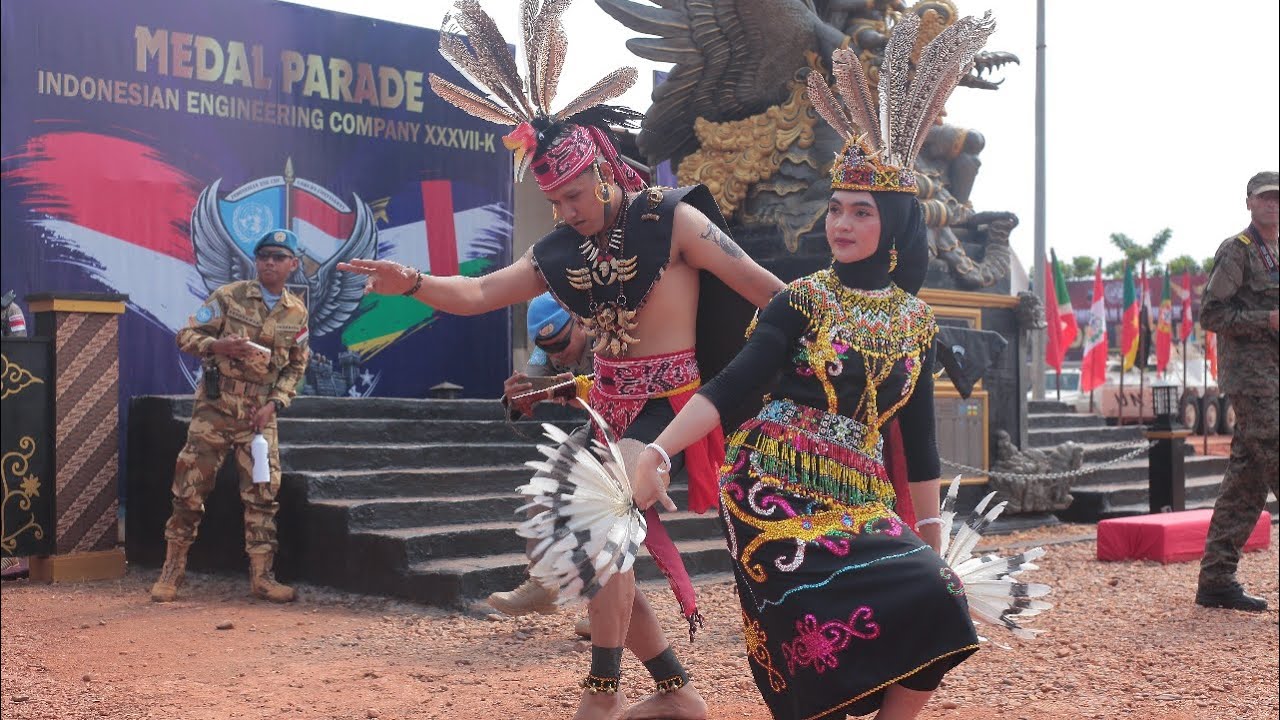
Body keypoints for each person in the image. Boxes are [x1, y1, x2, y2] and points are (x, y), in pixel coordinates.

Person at [339, 4, 783, 717]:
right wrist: (415, 283)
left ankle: (601, 698)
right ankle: (676, 694)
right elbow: (483, 291)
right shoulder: (560, 253)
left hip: (672, 404)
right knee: (584, 553)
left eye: (573, 195)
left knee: (603, 527)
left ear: (606, 171)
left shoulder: (673, 218)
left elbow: (768, 291)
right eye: (553, 199)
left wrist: (821, 341)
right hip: (605, 412)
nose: (565, 210)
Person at [632, 17, 994, 720]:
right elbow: (735, 383)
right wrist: (659, 449)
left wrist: (931, 541)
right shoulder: (804, 299)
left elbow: (917, 443)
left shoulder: (915, 323)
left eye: (861, 212)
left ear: (892, 225)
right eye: (835, 209)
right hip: (771, 485)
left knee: (941, 600)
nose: (841, 224)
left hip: (860, 492)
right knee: (817, 657)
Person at [150, 229, 311, 604]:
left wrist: (275, 405)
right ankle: (171, 573)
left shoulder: (297, 312)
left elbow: (295, 368)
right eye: (263, 256)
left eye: (277, 256)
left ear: (293, 265)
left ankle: (262, 578)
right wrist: (217, 344)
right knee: (189, 489)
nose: (269, 262)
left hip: (259, 416)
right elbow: (186, 335)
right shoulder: (229, 297)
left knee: (262, 495)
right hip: (215, 410)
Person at [1195, 170, 1279, 612]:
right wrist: (1264, 320)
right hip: (1252, 380)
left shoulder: (1278, 252)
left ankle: (1216, 580)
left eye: (1278, 199)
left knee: (1246, 483)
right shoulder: (1238, 251)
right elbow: (1210, 313)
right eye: (1265, 198)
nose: (1273, 205)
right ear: (1249, 202)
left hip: (1275, 377)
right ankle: (1216, 579)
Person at [490, 292, 594, 638]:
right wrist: (516, 399)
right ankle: (544, 584)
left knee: (602, 513)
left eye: (563, 344)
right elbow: (529, 385)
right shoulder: (547, 347)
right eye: (549, 349)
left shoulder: (608, 331)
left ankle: (606, 611)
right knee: (542, 489)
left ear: (580, 322)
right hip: (598, 426)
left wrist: (554, 389)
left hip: (645, 425)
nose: (558, 354)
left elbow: (607, 388)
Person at [1, 289, 30, 578]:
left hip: (9, 403)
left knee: (12, 478)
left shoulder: (9, 311)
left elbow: (20, 355)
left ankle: (12, 555)